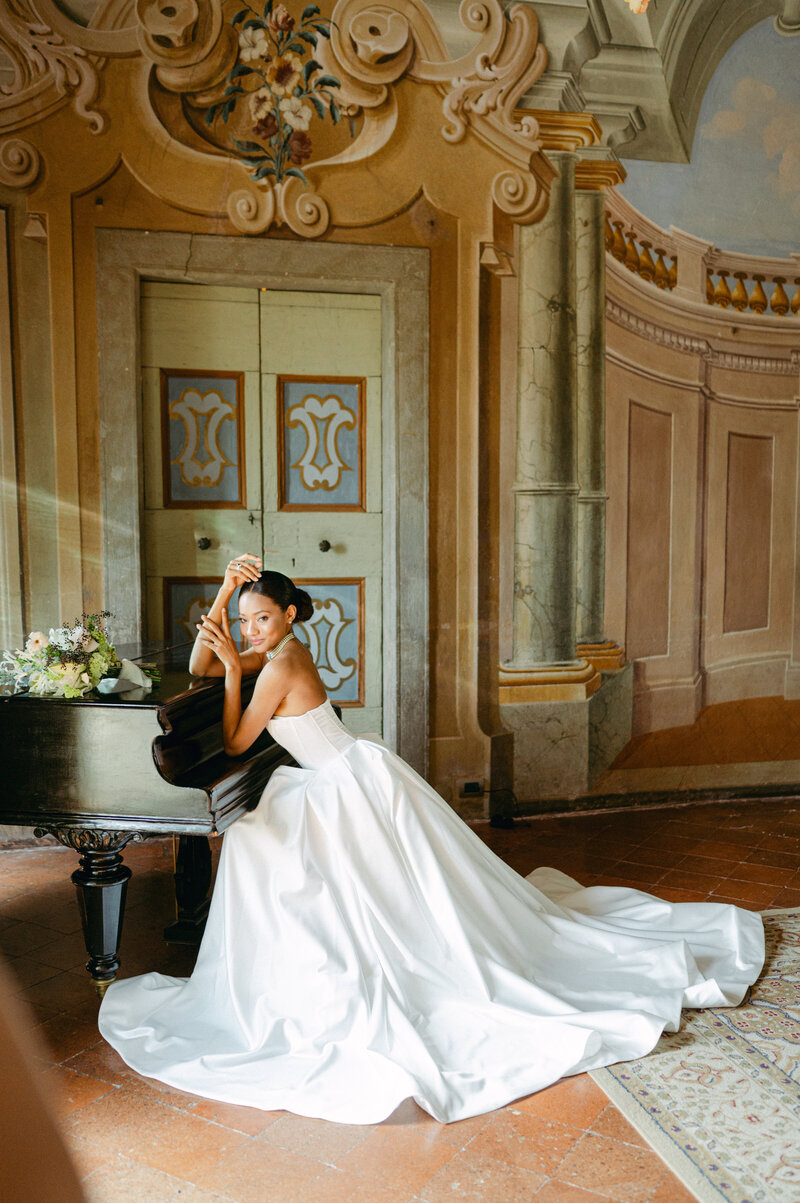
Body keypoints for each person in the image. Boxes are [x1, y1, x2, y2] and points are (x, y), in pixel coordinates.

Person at [99, 554, 765, 1125]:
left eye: (260, 619)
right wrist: (223, 597)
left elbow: (240, 736)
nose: (250, 629)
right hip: (334, 776)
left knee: (278, 853)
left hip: (339, 785)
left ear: (290, 618)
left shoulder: (277, 664)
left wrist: (236, 667)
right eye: (245, 621)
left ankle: (314, 973)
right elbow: (200, 662)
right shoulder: (271, 649)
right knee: (264, 844)